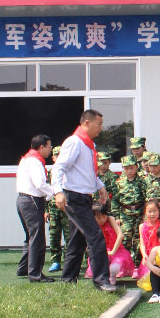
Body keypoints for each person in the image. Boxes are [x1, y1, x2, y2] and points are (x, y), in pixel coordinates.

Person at [50, 109, 116, 291]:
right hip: (74, 197)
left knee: (77, 241)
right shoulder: (74, 142)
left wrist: (100, 185)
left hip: (84, 197)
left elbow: (86, 172)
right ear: (87, 123)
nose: (101, 128)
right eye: (99, 124)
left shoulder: (89, 145)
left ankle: (68, 280)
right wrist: (58, 192)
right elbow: (58, 168)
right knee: (96, 236)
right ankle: (101, 281)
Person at [16, 134, 56, 282]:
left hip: (23, 200)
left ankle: (24, 268)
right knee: (37, 239)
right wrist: (55, 192)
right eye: (49, 146)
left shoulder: (26, 159)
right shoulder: (35, 161)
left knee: (30, 236)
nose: (50, 150)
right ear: (41, 147)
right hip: (32, 201)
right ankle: (35, 274)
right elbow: (40, 184)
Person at [85, 202, 135, 285]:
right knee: (97, 263)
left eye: (104, 217)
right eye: (99, 218)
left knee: (117, 264)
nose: (102, 220)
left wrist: (113, 251)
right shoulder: (91, 223)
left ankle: (111, 275)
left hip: (115, 250)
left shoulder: (110, 219)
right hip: (100, 250)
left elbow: (120, 235)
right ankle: (103, 276)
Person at [113, 155, 146, 267]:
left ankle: (137, 264)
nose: (129, 171)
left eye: (131, 168)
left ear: (136, 167)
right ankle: (124, 263)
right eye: (126, 168)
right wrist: (117, 217)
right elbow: (115, 201)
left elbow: (146, 198)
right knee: (125, 239)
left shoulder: (142, 181)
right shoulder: (119, 183)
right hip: (125, 214)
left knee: (139, 239)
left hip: (139, 213)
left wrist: (145, 214)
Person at [46, 145, 69, 274]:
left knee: (69, 235)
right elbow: (46, 192)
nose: (59, 157)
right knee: (54, 235)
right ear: (53, 158)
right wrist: (46, 210)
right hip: (53, 208)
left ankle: (68, 261)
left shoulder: (69, 171)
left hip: (67, 208)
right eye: (56, 155)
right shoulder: (50, 172)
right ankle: (55, 261)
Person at [136, 199, 160, 279]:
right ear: (145, 212)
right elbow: (142, 244)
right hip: (147, 255)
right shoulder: (142, 226)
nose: (152, 214)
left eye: (155, 211)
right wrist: (144, 255)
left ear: (159, 212)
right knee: (147, 275)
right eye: (149, 211)